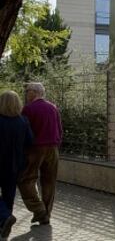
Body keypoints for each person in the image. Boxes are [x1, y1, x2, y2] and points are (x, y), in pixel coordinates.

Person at [18, 83, 63, 225]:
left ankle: (39, 209)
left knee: (25, 179)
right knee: (49, 181)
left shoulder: (28, 109)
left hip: (35, 149)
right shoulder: (53, 107)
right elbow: (60, 129)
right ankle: (46, 214)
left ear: (34, 92)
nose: (26, 94)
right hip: (53, 148)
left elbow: (23, 131)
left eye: (27, 91)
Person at [0, 91, 33, 239]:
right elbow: (30, 142)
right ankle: (4, 225)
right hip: (16, 165)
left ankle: (5, 216)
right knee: (9, 194)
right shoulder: (23, 121)